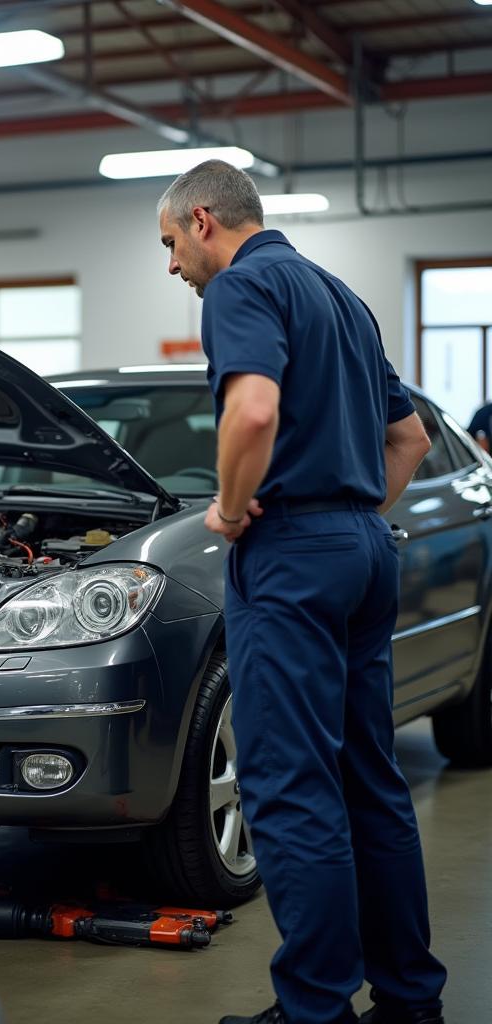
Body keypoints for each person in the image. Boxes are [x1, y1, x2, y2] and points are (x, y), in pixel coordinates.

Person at [157, 161, 446, 1024]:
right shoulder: (340, 296)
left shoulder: (240, 289)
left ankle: (316, 1010)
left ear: (203, 220)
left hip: (292, 558)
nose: (171, 266)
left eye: (170, 244)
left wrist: (234, 509)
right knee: (371, 782)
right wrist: (349, 508)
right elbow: (411, 438)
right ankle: (408, 1002)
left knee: (288, 788)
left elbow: (251, 414)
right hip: (363, 547)